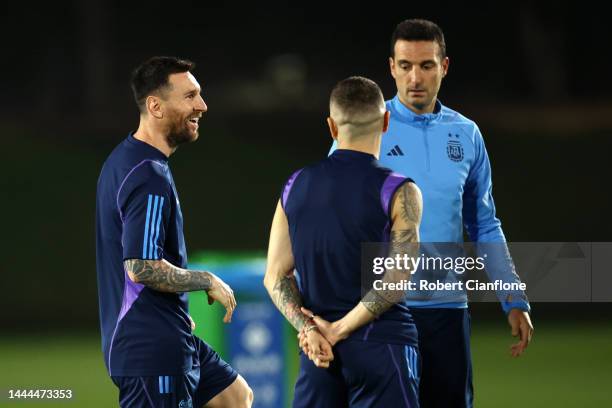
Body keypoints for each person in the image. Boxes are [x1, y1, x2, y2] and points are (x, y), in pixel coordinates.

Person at [328, 19, 534, 407]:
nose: (415, 77)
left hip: (447, 311)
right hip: (382, 310)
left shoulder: (467, 134)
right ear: (391, 67)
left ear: (444, 66)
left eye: (426, 65)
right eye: (405, 66)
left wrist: (513, 295)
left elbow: (485, 223)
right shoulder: (364, 126)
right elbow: (329, 215)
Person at [95, 56, 253, 408]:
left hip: (163, 334)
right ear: (155, 106)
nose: (202, 105)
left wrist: (173, 310)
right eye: (190, 96)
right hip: (151, 351)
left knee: (235, 397)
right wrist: (206, 280)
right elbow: (141, 265)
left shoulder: (125, 159)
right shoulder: (147, 174)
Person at [264, 76, 423, 408]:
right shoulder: (399, 190)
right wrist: (339, 329)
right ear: (385, 121)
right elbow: (397, 280)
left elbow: (276, 275)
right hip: (383, 347)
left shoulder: (294, 185)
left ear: (332, 128)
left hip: (319, 354)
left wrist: (310, 330)